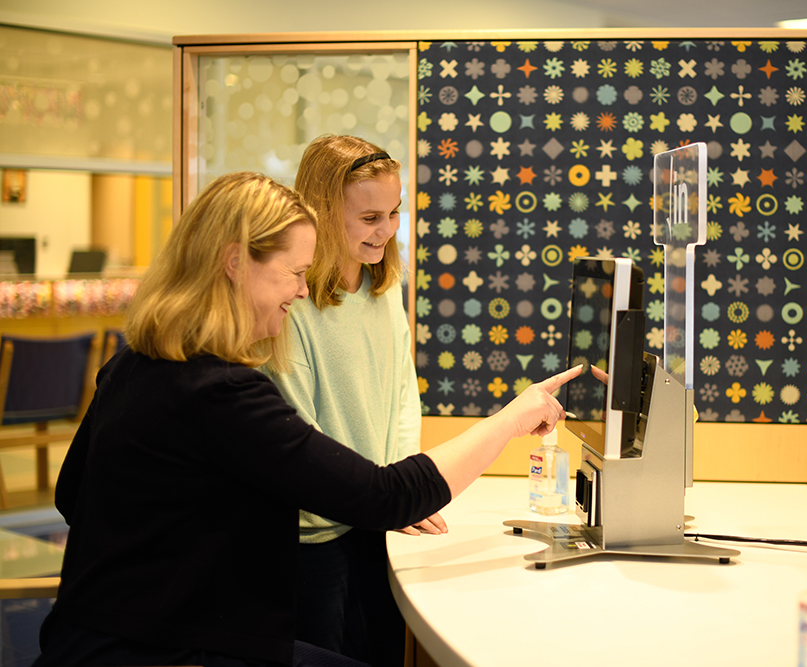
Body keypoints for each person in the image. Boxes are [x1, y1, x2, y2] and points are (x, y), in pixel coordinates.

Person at [33, 172, 579, 667]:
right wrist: (511, 418)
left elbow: (70, 494)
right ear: (234, 263)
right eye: (294, 273)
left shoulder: (135, 360)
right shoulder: (221, 391)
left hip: (86, 638)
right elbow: (385, 496)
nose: (301, 289)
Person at [261, 135, 425, 665]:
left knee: (380, 650)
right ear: (323, 212)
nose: (388, 230)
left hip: (377, 515)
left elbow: (403, 392)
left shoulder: (384, 288)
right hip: (316, 534)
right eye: (371, 217)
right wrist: (383, 495)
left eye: (395, 212)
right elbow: (298, 430)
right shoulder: (293, 304)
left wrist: (401, 484)